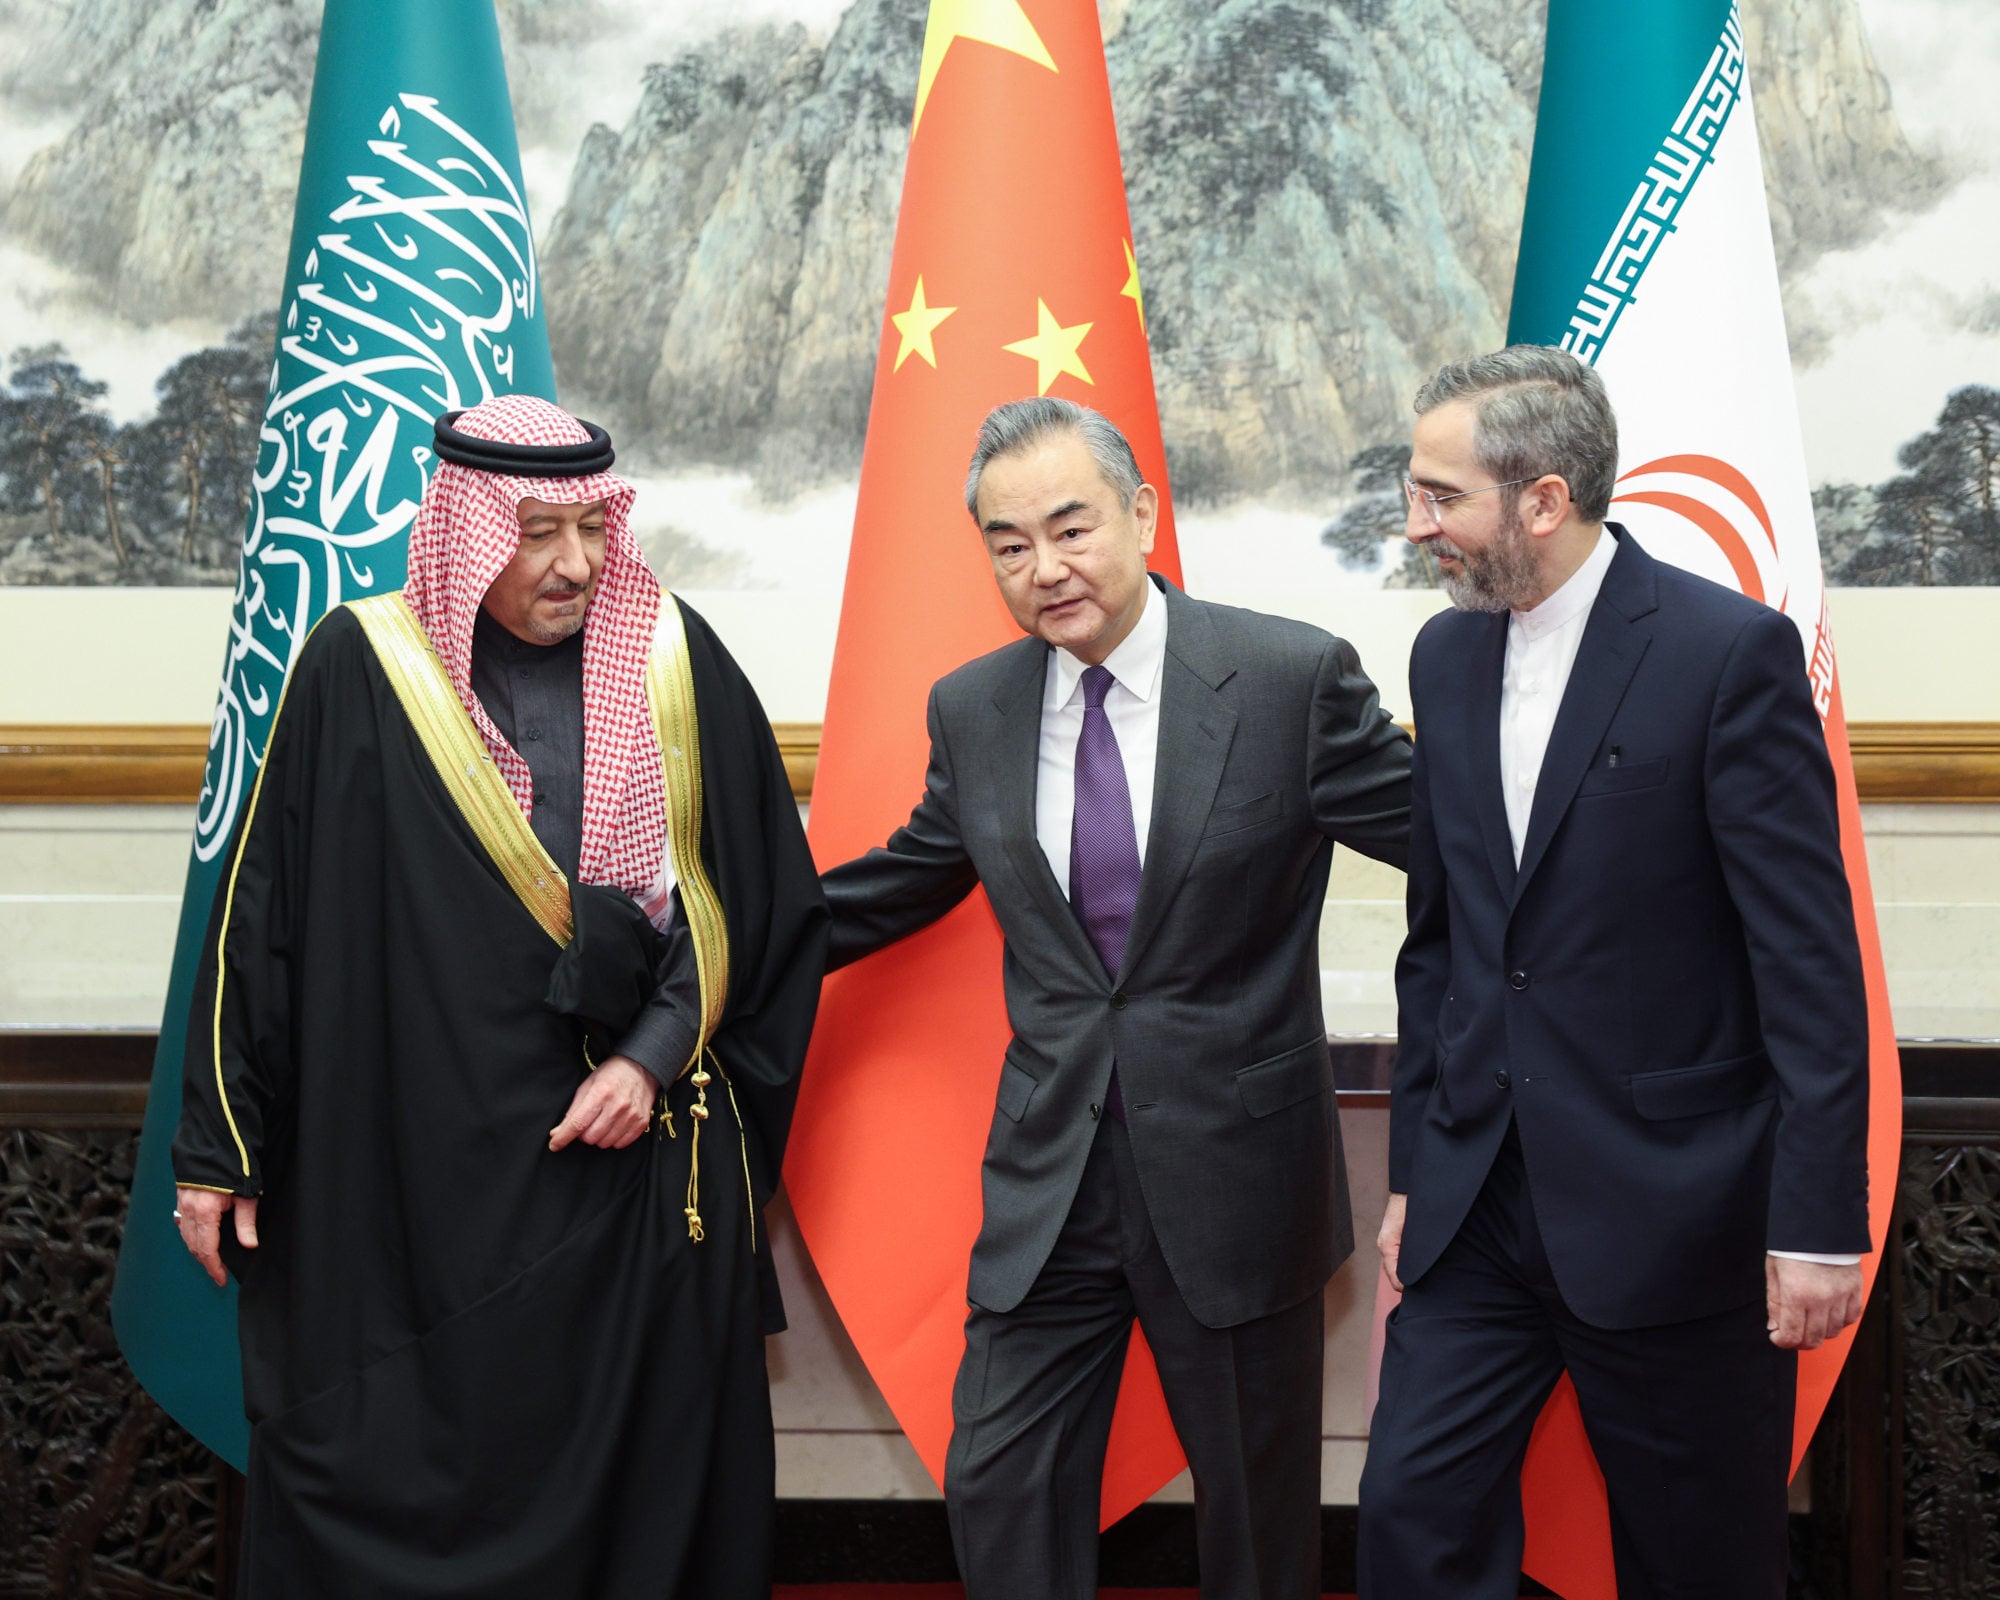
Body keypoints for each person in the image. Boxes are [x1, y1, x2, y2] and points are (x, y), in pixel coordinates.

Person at [170, 394, 828, 1599]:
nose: (575, 564)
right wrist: (219, 1145)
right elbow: (261, 917)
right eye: (535, 533)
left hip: (619, 1172)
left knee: (633, 1514)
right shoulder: (360, 666)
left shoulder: (674, 660)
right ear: (466, 527)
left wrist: (648, 1055)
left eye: (590, 527)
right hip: (405, 1190)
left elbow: (756, 905)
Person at [821, 397, 1413, 1600]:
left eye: (1069, 527)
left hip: (1237, 1175)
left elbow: (1467, 858)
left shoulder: (1288, 679)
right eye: (1007, 543)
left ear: (1141, 513)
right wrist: (694, 944)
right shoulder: (974, 707)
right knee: (999, 1479)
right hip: (1050, 1175)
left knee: (1253, 1528)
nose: (1043, 569)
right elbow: (889, 886)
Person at [1358, 346, 1870, 1598]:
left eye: (1438, 495)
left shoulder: (1723, 654)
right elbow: (1443, 945)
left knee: (1698, 1558)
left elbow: (1804, 964)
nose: (1414, 523)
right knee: (1407, 1525)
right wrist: (1416, 1171)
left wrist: (1812, 1221)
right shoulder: (1443, 658)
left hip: (1675, 1206)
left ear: (1541, 497)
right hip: (1477, 1200)